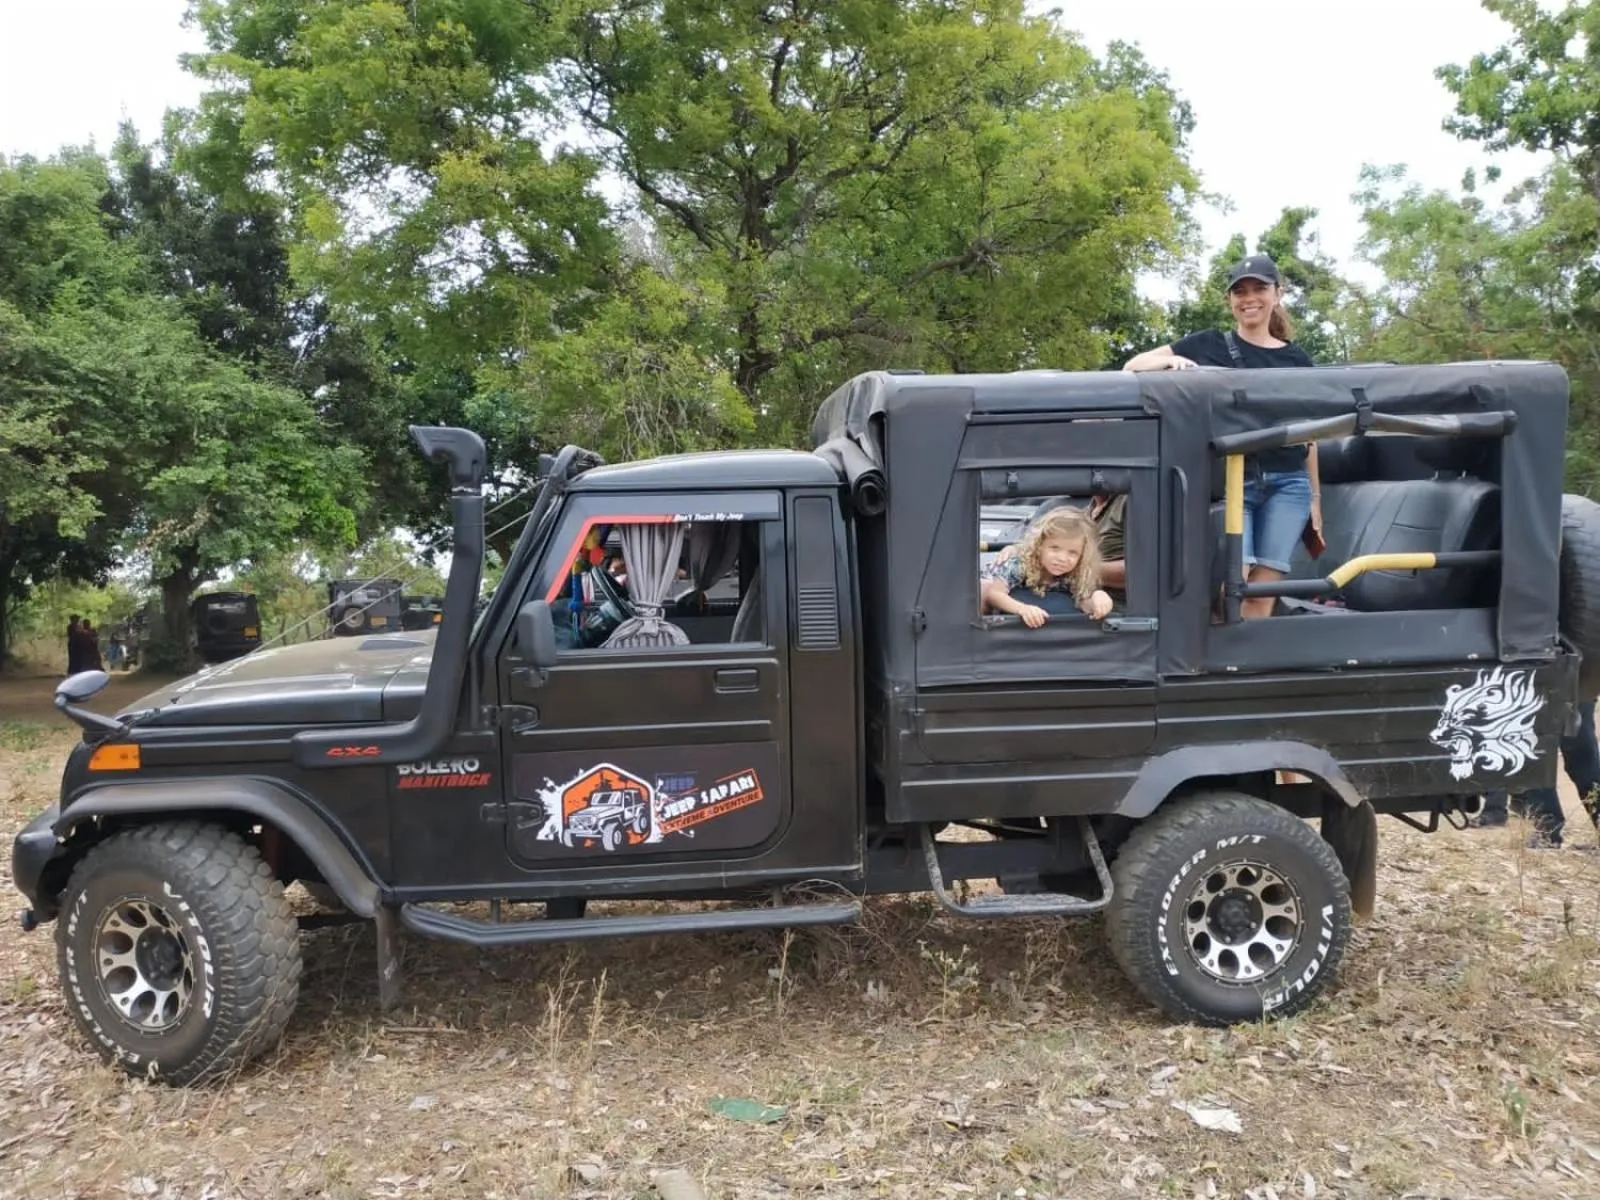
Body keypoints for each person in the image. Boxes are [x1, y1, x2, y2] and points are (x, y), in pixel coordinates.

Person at [1123, 254, 1322, 619]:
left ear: (1277, 294)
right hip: (1233, 481)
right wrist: (1170, 363)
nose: (1250, 298)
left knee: (1263, 593)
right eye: (1239, 291)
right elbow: (1132, 365)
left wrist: (1316, 501)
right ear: (1230, 301)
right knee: (1233, 582)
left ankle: (1249, 666)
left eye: (1259, 288)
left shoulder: (1297, 359)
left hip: (1289, 484)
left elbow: (1310, 436)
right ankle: (1216, 660)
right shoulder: (1210, 344)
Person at [1476, 698, 1600, 849]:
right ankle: (1547, 831)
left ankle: (1548, 831)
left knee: (1534, 757)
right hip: (1577, 685)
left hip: (1538, 687)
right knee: (1583, 759)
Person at [980, 506, 1113, 627]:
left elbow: (1083, 602)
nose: (1062, 558)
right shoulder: (1019, 563)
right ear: (1039, 546)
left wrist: (1098, 598)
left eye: (1072, 552)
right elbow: (994, 594)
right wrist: (1023, 609)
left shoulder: (1077, 572)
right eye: (1055, 548)